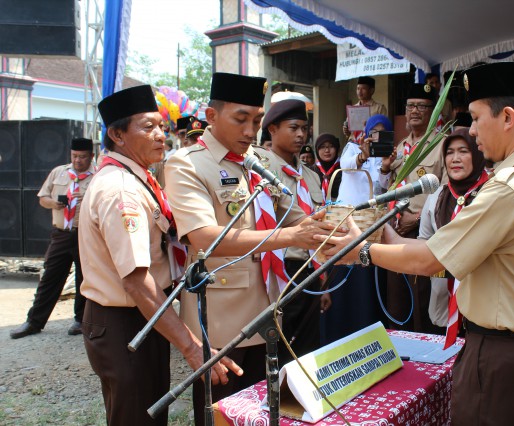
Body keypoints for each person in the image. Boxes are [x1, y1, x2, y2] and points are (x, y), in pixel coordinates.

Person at [319, 61, 514, 425]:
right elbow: (446, 255)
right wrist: (382, 230)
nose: (471, 130)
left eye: (475, 117)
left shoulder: (512, 187)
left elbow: (430, 259)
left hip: (503, 356)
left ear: (507, 117)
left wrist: (359, 250)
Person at [163, 72, 332, 425]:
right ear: (211, 117)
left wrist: (339, 228)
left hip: (268, 314)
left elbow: (295, 215)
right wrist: (291, 237)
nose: (249, 130)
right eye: (240, 119)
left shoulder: (255, 162)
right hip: (223, 323)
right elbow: (205, 238)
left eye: (256, 120)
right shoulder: (188, 163)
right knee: (223, 415)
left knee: (262, 415)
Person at [79, 85, 240, 426]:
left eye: (162, 127)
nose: (159, 135)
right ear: (116, 134)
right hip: (126, 321)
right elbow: (137, 282)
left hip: (144, 317)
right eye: (147, 127)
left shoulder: (139, 179)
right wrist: (192, 347)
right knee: (137, 417)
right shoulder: (121, 190)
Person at [261, 99, 327, 362]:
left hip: (310, 269)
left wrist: (324, 284)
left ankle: (301, 401)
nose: (301, 134)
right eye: (293, 128)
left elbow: (320, 226)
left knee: (307, 350)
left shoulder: (311, 176)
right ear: (273, 129)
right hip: (279, 271)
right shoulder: (261, 168)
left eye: (304, 128)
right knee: (278, 348)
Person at [10, 138, 96, 339]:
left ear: (91, 157)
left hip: (85, 234)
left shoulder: (98, 175)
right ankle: (34, 321)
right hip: (61, 233)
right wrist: (53, 203)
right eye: (74, 156)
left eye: (83, 157)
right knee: (50, 277)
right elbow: (42, 198)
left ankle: (80, 320)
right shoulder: (59, 172)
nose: (78, 160)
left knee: (85, 278)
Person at [378, 83, 446, 332]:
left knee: (421, 299)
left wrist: (417, 218)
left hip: (422, 233)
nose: (415, 111)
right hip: (395, 231)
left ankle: (424, 358)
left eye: (422, 106)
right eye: (410, 106)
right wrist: (385, 169)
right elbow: (386, 188)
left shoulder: (442, 145)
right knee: (396, 302)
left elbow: (445, 193)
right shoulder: (399, 147)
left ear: (433, 112)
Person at [321, 114, 391, 344]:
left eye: (383, 132)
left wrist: (386, 167)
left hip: (370, 226)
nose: (376, 136)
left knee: (366, 285)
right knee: (343, 275)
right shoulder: (352, 148)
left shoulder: (386, 157)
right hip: (346, 222)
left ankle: (368, 332)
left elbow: (383, 188)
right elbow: (346, 167)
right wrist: (363, 155)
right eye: (374, 132)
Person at [417, 128, 488, 337]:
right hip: (442, 301)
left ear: (477, 153)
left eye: (463, 151)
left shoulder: (492, 192)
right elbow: (424, 240)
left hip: (482, 306)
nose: (455, 159)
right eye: (450, 152)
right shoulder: (437, 195)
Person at [342, 76, 387, 141]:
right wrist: (347, 131)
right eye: (358, 88)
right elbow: (349, 134)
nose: (359, 92)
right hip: (354, 144)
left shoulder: (379, 108)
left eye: (363, 89)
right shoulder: (353, 109)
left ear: (371, 90)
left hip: (370, 143)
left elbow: (384, 129)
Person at [312, 133, 341, 202]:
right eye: (322, 147)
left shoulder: (344, 170)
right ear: (317, 150)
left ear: (337, 149)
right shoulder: (311, 171)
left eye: (331, 146)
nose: (327, 150)